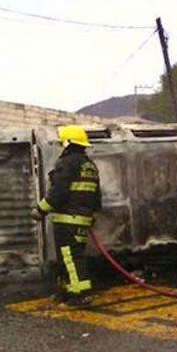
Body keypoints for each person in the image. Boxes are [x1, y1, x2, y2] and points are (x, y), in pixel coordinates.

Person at [30, 125, 103, 307]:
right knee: (67, 257)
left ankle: (79, 296)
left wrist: (40, 209)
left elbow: (59, 192)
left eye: (63, 141)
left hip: (67, 220)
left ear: (68, 142)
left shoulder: (67, 163)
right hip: (81, 219)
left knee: (70, 258)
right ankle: (64, 292)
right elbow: (97, 194)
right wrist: (92, 214)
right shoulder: (89, 165)